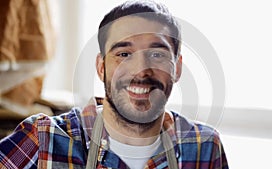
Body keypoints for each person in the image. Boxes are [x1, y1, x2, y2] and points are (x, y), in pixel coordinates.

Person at [0, 0, 229, 168]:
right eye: (124, 54)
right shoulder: (43, 139)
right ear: (101, 67)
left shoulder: (204, 147)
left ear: (177, 68)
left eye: (157, 54)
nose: (141, 70)